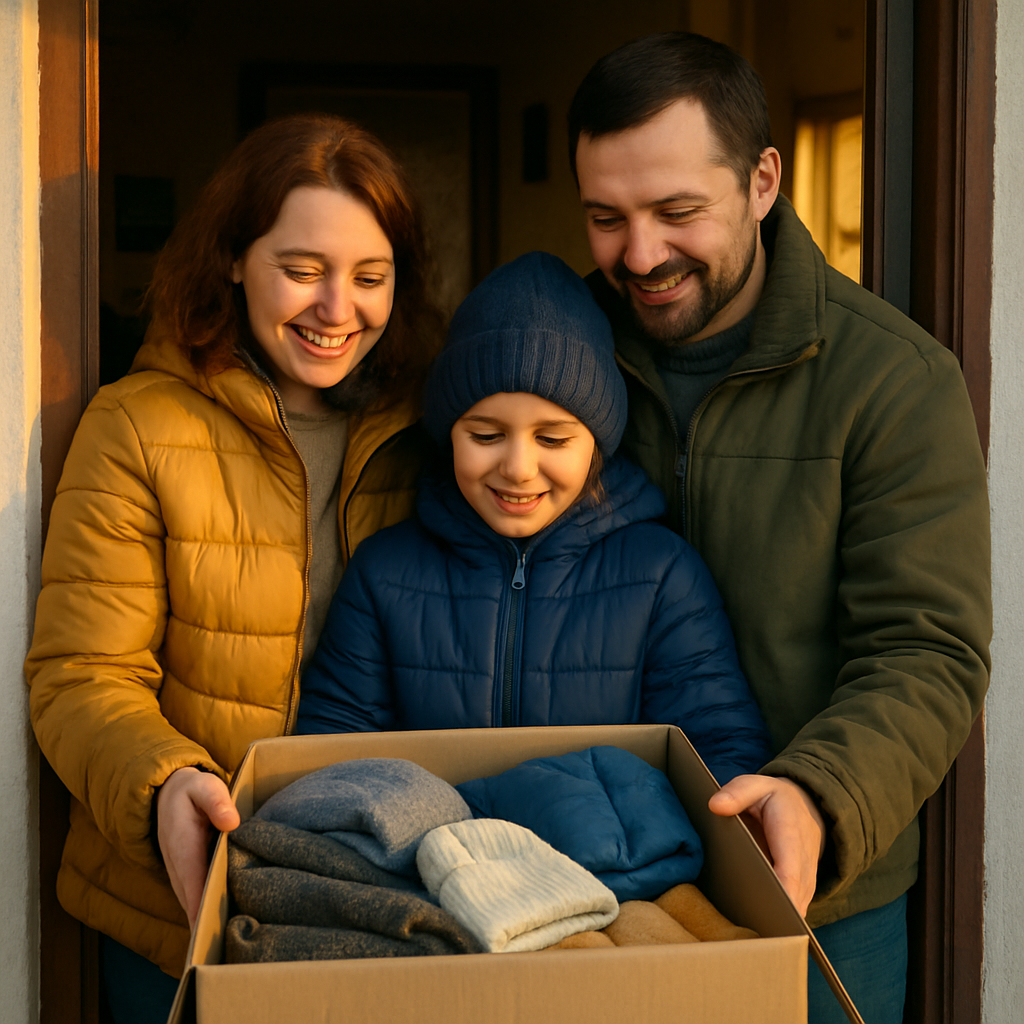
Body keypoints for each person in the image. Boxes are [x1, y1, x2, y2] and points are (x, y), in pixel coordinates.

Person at [567, 32, 991, 1024]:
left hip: (816, 896)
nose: (639, 254)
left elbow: (925, 648)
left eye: (676, 212)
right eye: (604, 217)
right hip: (582, 883)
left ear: (763, 180)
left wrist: (815, 792)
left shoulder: (895, 380)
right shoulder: (551, 353)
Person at [25, 113, 442, 1023]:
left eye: (370, 277)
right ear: (230, 260)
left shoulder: (435, 432)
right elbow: (80, 676)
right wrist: (165, 781)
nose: (338, 310)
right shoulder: (137, 425)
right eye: (301, 271)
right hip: (178, 913)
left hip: (381, 906)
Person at [297, 251, 774, 788]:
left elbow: (719, 748)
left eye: (552, 438)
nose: (519, 469)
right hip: (426, 862)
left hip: (607, 868)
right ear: (446, 434)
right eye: (485, 436)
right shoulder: (384, 572)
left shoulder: (662, 574)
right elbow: (330, 746)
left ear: (598, 443)